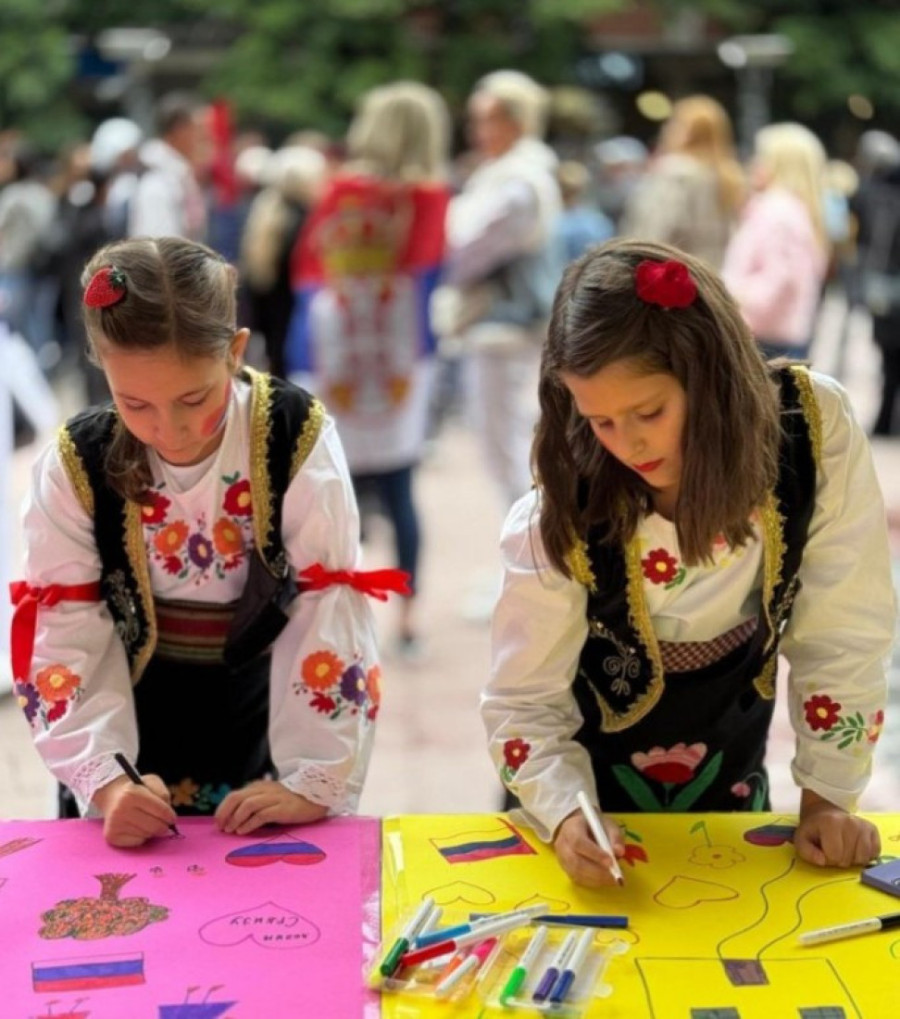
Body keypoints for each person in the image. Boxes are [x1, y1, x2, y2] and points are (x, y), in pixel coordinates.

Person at [481, 238, 895, 888]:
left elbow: (845, 630)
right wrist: (566, 815)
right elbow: (525, 703)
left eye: (649, 411)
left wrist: (828, 799)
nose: (628, 443)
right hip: (582, 823)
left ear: (708, 375)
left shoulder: (811, 430)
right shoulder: (565, 504)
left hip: (730, 794)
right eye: (599, 421)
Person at [10, 236, 407, 848]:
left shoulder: (292, 434)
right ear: (102, 366)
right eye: (134, 403)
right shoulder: (77, 462)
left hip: (263, 705)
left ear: (235, 350)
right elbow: (65, 634)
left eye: (194, 397)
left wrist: (313, 779)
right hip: (124, 713)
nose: (171, 429)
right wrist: (108, 782)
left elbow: (325, 611)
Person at [286, 81, 451, 659]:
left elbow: (305, 265)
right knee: (403, 486)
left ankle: (341, 615)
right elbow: (433, 265)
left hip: (333, 349)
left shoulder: (342, 191)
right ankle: (407, 620)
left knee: (335, 488)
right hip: (403, 348)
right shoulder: (429, 196)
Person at [722, 123, 830, 362]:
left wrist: (734, 305)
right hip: (775, 335)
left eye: (762, 157)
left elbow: (777, 280)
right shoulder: (792, 209)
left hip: (764, 337)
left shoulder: (777, 211)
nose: (754, 164)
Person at [622, 95, 744, 269]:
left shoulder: (674, 172)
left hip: (672, 276)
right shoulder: (730, 176)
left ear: (687, 133)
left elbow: (653, 232)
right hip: (713, 275)